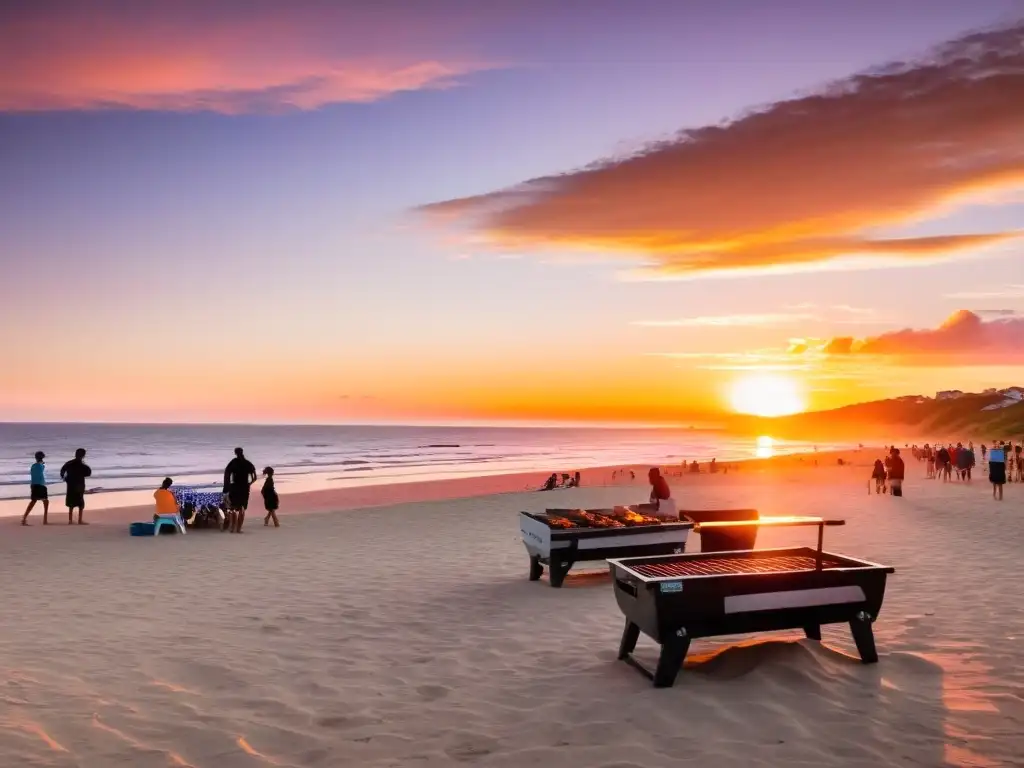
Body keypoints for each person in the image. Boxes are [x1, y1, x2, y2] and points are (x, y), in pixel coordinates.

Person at [223, 447, 257, 533]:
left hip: (235, 487)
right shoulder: (248, 463)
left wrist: (227, 486)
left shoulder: (233, 462)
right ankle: (239, 529)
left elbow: (227, 474)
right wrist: (249, 483)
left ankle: (232, 528)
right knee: (242, 508)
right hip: (244, 487)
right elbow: (254, 477)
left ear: (235, 453)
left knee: (233, 508)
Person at [60, 448, 92, 525]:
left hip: (70, 484)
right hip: (79, 484)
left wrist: (64, 478)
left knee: (71, 502)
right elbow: (88, 473)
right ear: (83, 456)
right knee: (80, 502)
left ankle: (70, 520)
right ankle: (79, 520)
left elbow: (62, 470)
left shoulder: (69, 463)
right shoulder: (83, 466)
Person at [22, 451, 50, 525]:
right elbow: (41, 468)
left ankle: (24, 518)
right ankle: (45, 519)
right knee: (45, 502)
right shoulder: (41, 465)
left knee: (33, 501)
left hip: (33, 485)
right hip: (40, 485)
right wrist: (42, 463)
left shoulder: (33, 466)